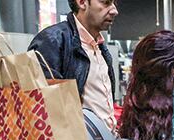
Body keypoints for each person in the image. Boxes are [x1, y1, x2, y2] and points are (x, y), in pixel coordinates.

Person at [29, 0, 118, 131]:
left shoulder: (100, 46)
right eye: (106, 2)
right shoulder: (53, 40)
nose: (114, 10)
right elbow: (45, 108)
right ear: (82, 2)